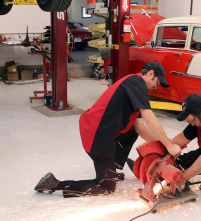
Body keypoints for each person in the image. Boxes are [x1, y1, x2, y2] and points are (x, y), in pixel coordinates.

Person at [34, 62, 181, 197]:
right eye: (157, 81)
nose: (156, 86)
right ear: (150, 73)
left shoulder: (132, 84)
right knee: (106, 188)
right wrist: (168, 145)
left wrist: (160, 147)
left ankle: (111, 168)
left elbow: (140, 126)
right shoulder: (136, 82)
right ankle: (55, 184)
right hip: (97, 134)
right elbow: (149, 118)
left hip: (101, 130)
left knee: (131, 130)